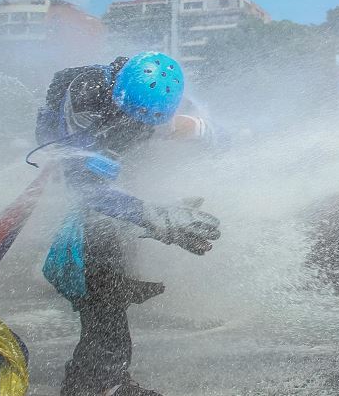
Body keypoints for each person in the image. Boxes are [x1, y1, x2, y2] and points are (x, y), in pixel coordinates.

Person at [34, 52, 222, 396]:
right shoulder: (85, 100)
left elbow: (209, 133)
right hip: (80, 152)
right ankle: (97, 383)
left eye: (150, 121)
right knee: (101, 267)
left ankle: (98, 370)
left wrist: (204, 133)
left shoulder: (164, 105)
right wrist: (153, 214)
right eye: (135, 117)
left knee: (116, 255)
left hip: (116, 155)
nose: (141, 124)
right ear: (120, 97)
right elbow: (87, 191)